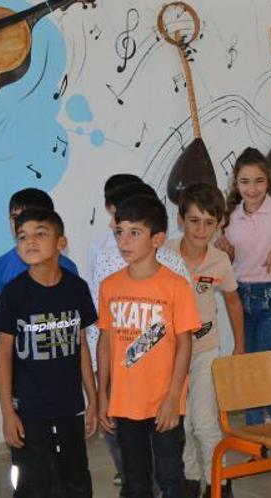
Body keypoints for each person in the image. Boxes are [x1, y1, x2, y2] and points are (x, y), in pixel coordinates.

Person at [88, 182, 188, 497]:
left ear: (157, 239)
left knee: (170, 476)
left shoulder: (175, 285)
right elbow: (105, 342)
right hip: (124, 402)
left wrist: (174, 397)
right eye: (120, 232)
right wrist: (103, 395)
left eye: (134, 233)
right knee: (135, 479)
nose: (124, 241)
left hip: (165, 401)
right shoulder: (110, 286)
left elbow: (184, 344)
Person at [0, 207, 97, 497]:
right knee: (33, 485)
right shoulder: (14, 293)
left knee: (76, 481)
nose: (30, 242)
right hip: (29, 411)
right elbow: (3, 355)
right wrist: (8, 412)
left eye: (40, 233)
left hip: (69, 406)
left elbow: (82, 346)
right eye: (22, 236)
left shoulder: (77, 288)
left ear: (61, 242)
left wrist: (93, 399)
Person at [164, 183, 245, 498]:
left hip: (205, 350)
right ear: (180, 219)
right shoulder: (164, 254)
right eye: (194, 221)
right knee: (180, 424)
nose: (201, 229)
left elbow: (233, 303)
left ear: (219, 224)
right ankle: (189, 479)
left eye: (209, 222)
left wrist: (239, 346)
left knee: (205, 422)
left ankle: (218, 483)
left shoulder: (220, 260)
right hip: (170, 354)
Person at [217, 147, 271, 425]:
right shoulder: (231, 215)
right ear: (236, 183)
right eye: (245, 182)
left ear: (269, 181)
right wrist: (226, 251)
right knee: (248, 366)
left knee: (263, 367)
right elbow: (233, 260)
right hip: (241, 296)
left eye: (259, 181)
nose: (252, 189)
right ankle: (268, 434)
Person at [0, 188, 78, 295]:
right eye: (14, 217)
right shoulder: (0, 266)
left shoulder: (67, 267)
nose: (18, 223)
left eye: (26, 217)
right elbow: (1, 303)